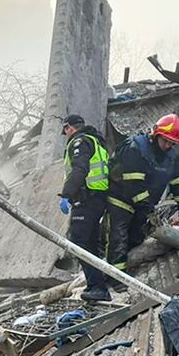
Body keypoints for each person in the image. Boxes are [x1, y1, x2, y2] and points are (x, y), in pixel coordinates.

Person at [106, 114, 179, 290]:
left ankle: (128, 268)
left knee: (137, 238)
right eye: (166, 141)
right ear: (156, 135)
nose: (168, 146)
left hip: (143, 204)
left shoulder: (171, 157)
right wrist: (148, 209)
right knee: (118, 237)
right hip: (120, 198)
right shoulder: (135, 148)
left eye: (172, 143)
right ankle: (114, 279)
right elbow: (133, 184)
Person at [58, 114, 112, 302]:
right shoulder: (96, 141)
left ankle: (98, 287)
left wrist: (66, 194)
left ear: (69, 128)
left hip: (86, 199)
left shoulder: (80, 142)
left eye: (65, 131)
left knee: (79, 242)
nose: (66, 134)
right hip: (97, 199)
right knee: (90, 243)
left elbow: (80, 169)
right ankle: (96, 285)